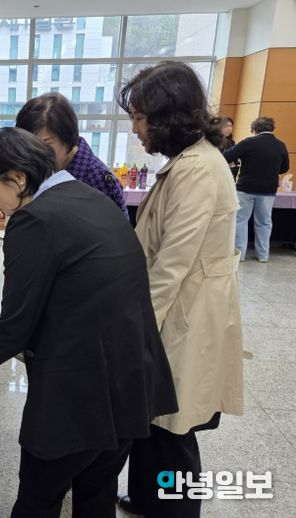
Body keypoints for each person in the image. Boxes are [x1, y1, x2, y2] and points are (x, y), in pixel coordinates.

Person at [0, 127, 177, 518]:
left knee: (38, 500)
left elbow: (14, 328)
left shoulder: (34, 219)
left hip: (80, 394)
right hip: (132, 382)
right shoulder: (90, 197)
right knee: (97, 495)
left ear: (18, 178)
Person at [116, 61, 244, 518]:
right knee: (153, 419)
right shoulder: (188, 163)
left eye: (140, 118)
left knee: (173, 429)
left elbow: (171, 265)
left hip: (183, 318)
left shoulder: (198, 171)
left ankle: (174, 509)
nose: (135, 128)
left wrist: (133, 332)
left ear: (167, 117)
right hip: (178, 313)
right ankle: (147, 498)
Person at [15, 92, 128, 217]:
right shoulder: (51, 171)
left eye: (45, 145)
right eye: (28, 146)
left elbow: (113, 227)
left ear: (66, 137)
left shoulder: (96, 178)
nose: (35, 154)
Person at [223, 116, 290, 262]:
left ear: (254, 129)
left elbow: (226, 156)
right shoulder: (281, 145)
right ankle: (263, 255)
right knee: (264, 222)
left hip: (245, 188)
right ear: (272, 128)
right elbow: (284, 168)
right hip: (268, 190)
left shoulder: (248, 142)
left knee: (241, 220)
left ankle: (240, 254)